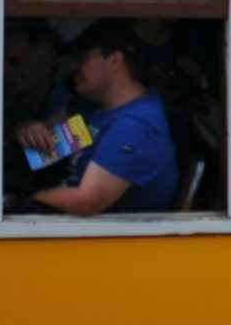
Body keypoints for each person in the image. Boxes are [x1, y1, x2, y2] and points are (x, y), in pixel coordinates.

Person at [14, 22, 178, 216]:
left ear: (115, 61)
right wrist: (28, 129)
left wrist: (19, 202)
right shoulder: (91, 106)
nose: (73, 66)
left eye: (82, 58)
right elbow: (38, 154)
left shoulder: (136, 126)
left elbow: (86, 201)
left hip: (105, 240)